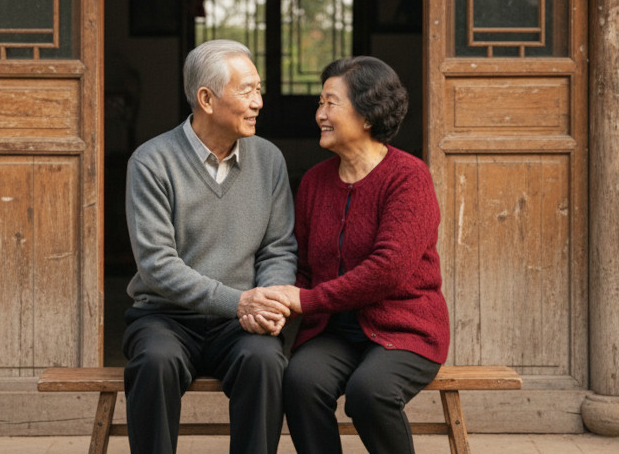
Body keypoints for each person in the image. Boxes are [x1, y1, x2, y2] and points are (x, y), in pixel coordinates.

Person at [245, 55, 450, 454]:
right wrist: (276, 306)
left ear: (369, 114)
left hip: (404, 329)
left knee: (369, 393)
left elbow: (387, 270)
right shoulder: (315, 183)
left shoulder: (408, 177)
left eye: (331, 103)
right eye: (320, 104)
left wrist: (305, 300)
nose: (320, 114)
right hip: (334, 331)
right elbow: (303, 267)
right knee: (300, 383)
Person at [122, 39, 296, 454]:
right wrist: (239, 301)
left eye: (259, 90)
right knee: (155, 362)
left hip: (240, 323)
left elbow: (279, 249)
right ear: (206, 98)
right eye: (247, 90)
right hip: (165, 316)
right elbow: (157, 266)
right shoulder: (151, 162)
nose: (257, 102)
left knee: (264, 360)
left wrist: (269, 303)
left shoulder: (269, 160)